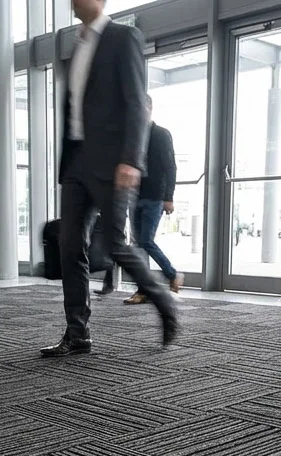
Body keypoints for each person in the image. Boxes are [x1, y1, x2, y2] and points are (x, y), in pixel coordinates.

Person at [43, 0, 179, 357]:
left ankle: (163, 299)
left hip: (112, 164)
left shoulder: (123, 37)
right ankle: (78, 333)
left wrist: (132, 160)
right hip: (75, 165)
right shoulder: (78, 47)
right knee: (70, 247)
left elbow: (136, 101)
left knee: (117, 245)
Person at [124, 96, 182, 305]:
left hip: (155, 197)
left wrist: (169, 197)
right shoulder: (131, 135)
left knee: (145, 240)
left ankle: (171, 273)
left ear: (150, 108)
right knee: (138, 245)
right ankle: (143, 290)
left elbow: (170, 167)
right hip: (134, 195)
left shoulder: (160, 134)